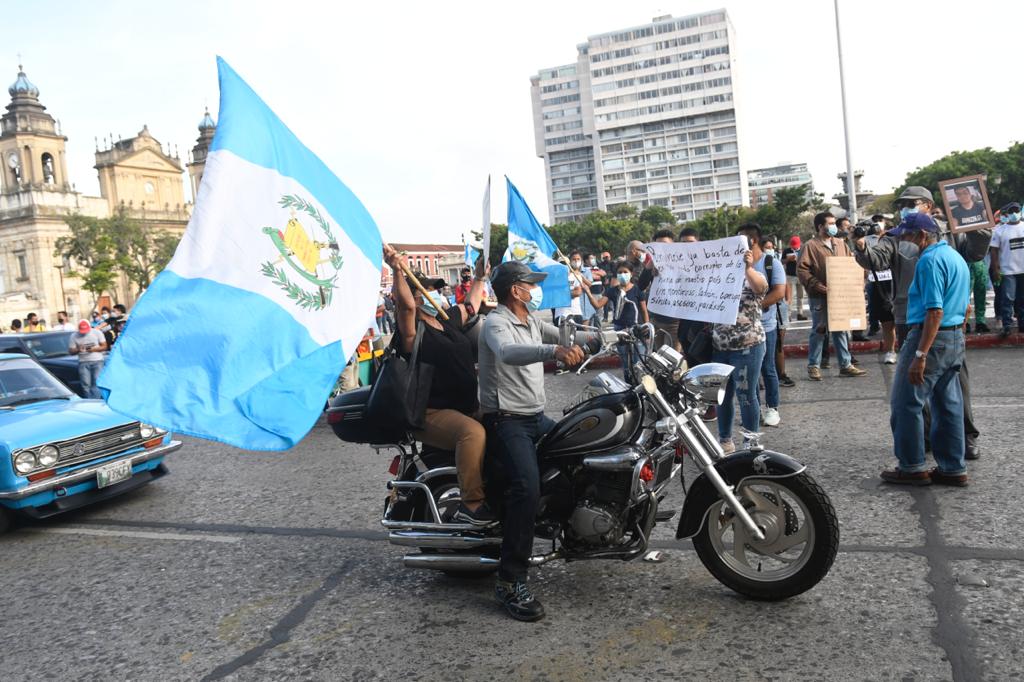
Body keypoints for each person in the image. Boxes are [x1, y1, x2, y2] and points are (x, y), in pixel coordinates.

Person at [479, 261, 598, 622]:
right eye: (530, 285)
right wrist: (554, 353)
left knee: (584, 451)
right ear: (515, 290)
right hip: (507, 420)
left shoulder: (530, 320)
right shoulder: (496, 323)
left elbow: (565, 336)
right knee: (526, 488)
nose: (534, 290)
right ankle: (509, 580)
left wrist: (609, 337)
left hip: (534, 417)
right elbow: (508, 353)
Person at [854, 185, 989, 459]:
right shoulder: (897, 235)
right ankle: (926, 437)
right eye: (901, 204)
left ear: (928, 205)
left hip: (945, 315)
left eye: (911, 203)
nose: (905, 208)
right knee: (915, 384)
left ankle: (965, 436)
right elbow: (876, 261)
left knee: (954, 381)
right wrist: (860, 246)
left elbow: (975, 254)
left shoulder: (950, 231)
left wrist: (979, 226)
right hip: (909, 315)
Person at [383, 243, 496, 527]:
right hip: (430, 412)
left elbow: (471, 306)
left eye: (434, 287)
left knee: (508, 422)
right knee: (472, 434)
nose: (432, 292)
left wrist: (481, 277)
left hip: (465, 406)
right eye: (425, 289)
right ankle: (471, 503)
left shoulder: (445, 321)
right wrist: (397, 270)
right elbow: (406, 306)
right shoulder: (412, 333)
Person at [880, 213, 970, 486]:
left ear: (921, 235)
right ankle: (953, 467)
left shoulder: (929, 261)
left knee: (906, 404)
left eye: (907, 237)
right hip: (953, 338)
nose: (904, 242)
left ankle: (912, 466)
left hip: (929, 337)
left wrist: (920, 355)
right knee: (948, 405)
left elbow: (934, 311)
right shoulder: (955, 257)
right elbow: (964, 306)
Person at [798, 211, 868, 380]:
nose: (833, 227)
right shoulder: (810, 246)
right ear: (820, 226)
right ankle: (813, 366)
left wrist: (860, 277)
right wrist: (817, 285)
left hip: (840, 295)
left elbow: (851, 263)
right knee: (819, 330)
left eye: (834, 223)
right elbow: (802, 270)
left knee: (841, 329)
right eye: (830, 223)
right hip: (819, 296)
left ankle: (845, 364)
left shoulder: (840, 243)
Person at [711, 247, 768, 453]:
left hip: (748, 346)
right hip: (720, 347)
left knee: (746, 395)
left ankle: (750, 441)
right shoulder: (715, 279)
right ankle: (725, 439)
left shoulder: (754, 275)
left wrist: (747, 268)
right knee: (722, 396)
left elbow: (761, 288)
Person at [738, 224, 785, 427]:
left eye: (740, 239)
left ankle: (772, 408)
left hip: (766, 326)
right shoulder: (737, 263)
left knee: (768, 368)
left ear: (752, 241)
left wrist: (756, 307)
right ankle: (753, 411)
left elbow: (779, 292)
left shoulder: (770, 263)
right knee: (750, 374)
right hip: (743, 330)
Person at [583, 260, 648, 381]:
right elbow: (598, 305)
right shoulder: (612, 291)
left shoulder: (637, 291)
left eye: (625, 272)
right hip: (619, 330)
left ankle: (641, 385)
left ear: (631, 274)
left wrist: (646, 328)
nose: (622, 274)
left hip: (636, 329)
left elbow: (644, 311)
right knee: (625, 361)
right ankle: (629, 384)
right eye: (620, 272)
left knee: (639, 360)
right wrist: (588, 292)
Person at [637, 229, 680, 353]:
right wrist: (649, 267)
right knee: (658, 358)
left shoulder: (682, 263)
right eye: (658, 246)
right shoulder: (653, 264)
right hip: (657, 320)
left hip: (675, 322)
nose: (662, 248)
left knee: (673, 358)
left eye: (665, 245)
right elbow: (640, 286)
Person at [762, 236, 795, 388]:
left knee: (778, 344)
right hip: (764, 314)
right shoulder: (757, 265)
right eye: (767, 247)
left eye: (772, 247)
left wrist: (787, 302)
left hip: (779, 309)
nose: (770, 249)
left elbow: (784, 284)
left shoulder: (774, 263)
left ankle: (781, 374)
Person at [990, 201, 1024, 337]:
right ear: (1007, 214)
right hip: (1008, 270)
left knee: (1023, 299)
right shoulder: (999, 230)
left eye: (1016, 210)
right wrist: (996, 269)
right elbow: (994, 251)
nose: (1014, 214)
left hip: (1023, 270)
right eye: (1011, 211)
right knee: (1007, 299)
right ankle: (1007, 326)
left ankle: (1022, 324)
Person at [68, 319, 107, 399]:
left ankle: (95, 400)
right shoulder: (74, 336)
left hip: (97, 360)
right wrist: (78, 349)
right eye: (82, 331)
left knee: (96, 382)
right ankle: (88, 400)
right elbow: (71, 351)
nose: (84, 333)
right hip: (83, 361)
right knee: (85, 384)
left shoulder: (97, 332)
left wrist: (94, 349)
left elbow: (104, 346)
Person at [555, 251, 587, 326]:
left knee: (578, 336)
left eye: (565, 263)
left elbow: (578, 292)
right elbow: (555, 294)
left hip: (576, 312)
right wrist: (571, 292)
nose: (563, 265)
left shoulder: (576, 276)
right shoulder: (554, 279)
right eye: (561, 263)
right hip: (561, 314)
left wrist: (562, 293)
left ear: (569, 264)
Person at [782, 236, 806, 320]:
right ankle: (788, 315)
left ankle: (800, 313)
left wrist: (799, 260)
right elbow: (782, 261)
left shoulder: (803, 250)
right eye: (793, 246)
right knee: (789, 296)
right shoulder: (786, 251)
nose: (794, 247)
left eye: (796, 245)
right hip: (790, 275)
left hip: (801, 275)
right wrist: (788, 259)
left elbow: (807, 261)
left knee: (801, 296)